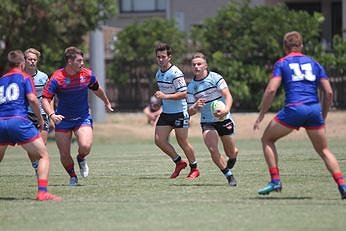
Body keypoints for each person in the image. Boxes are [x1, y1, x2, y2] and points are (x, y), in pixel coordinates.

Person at [253, 31, 346, 199]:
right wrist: (322, 116)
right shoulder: (315, 63)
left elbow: (271, 89)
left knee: (267, 139)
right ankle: (342, 185)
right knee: (324, 150)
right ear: (301, 46)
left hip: (294, 109)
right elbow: (329, 92)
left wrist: (261, 114)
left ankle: (275, 180)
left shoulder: (282, 63)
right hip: (313, 110)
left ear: (284, 47)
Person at [42, 46, 113, 186]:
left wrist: (106, 102)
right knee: (64, 154)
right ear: (70, 61)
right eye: (79, 60)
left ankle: (81, 158)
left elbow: (97, 89)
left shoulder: (87, 75)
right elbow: (45, 99)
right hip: (62, 119)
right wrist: (51, 114)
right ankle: (73, 176)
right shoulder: (57, 77)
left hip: (82, 117)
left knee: (85, 146)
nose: (82, 63)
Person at [0, 50, 61, 201]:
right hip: (18, 120)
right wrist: (40, 119)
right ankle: (42, 192)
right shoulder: (25, 77)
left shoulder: (1, 79)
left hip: (1, 122)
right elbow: (33, 99)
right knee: (43, 155)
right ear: (22, 64)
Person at [187, 52, 238, 186]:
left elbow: (228, 96)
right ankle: (229, 176)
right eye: (194, 65)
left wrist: (226, 110)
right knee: (213, 149)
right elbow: (190, 112)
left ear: (206, 65)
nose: (196, 67)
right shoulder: (191, 87)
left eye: (199, 64)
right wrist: (195, 106)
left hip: (224, 118)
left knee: (230, 152)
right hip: (207, 121)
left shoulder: (215, 78)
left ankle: (233, 155)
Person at [154, 42, 200, 179]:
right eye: (158, 57)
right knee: (159, 140)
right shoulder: (158, 74)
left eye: (163, 56)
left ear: (169, 57)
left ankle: (195, 168)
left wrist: (164, 96)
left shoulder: (175, 73)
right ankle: (179, 162)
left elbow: (184, 93)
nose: (160, 59)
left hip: (179, 112)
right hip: (166, 113)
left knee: (182, 141)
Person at [24, 48, 53, 173]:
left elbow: (49, 96)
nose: (32, 62)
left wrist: (51, 113)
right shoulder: (19, 76)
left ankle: (38, 165)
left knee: (42, 145)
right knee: (31, 146)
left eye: (34, 60)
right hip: (25, 115)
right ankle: (36, 166)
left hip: (41, 113)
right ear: (24, 60)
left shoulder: (43, 77)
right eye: (30, 59)